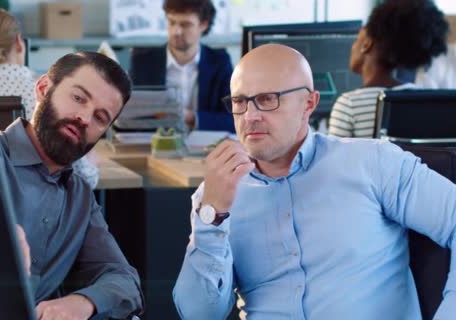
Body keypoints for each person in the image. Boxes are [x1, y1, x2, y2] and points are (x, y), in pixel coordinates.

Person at [172, 43, 456, 319]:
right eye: (239, 102)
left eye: (267, 99)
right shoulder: (215, 195)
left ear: (308, 103)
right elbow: (198, 314)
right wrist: (212, 218)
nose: (250, 116)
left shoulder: (373, 163)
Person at [0, 52, 143, 319]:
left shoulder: (79, 196)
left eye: (100, 117)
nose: (84, 117)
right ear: (43, 88)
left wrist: (83, 302)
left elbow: (124, 280)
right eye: (78, 98)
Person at [0, 6, 100, 189]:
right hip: (36, 210)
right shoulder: (48, 94)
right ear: (18, 42)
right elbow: (85, 180)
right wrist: (92, 163)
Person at [328, 0, 448, 138]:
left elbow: (335, 159)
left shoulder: (349, 104)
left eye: (357, 39)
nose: (353, 46)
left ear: (366, 43)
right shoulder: (423, 100)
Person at [128, 0, 233, 132]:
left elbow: (232, 120)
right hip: (155, 146)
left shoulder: (219, 62)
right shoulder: (143, 61)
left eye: (185, 25)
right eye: (172, 22)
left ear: (203, 25)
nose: (176, 31)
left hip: (206, 147)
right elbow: (130, 117)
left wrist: (190, 117)